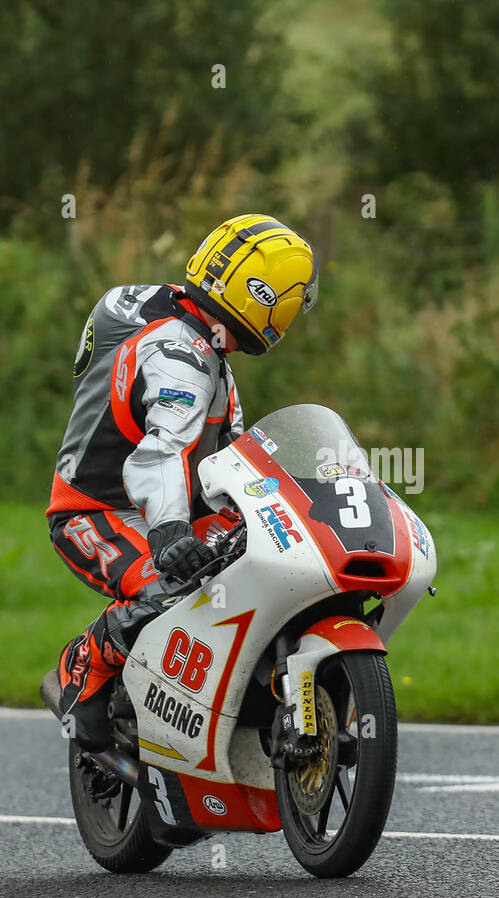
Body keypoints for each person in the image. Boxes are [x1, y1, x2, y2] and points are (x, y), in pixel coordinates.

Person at [45, 214, 318, 750]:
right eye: (293, 299)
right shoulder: (183, 359)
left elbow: (232, 451)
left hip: (175, 505)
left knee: (265, 562)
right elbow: (160, 453)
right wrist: (170, 531)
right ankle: (83, 664)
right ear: (270, 302)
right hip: (96, 510)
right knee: (174, 590)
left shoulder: (171, 318)